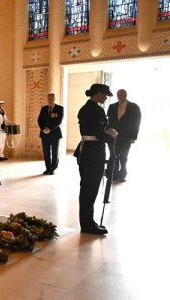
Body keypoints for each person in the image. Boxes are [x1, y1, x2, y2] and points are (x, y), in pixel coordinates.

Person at [73, 83, 117, 235]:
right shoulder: (97, 110)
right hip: (94, 152)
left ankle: (87, 222)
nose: (105, 98)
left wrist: (105, 131)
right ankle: (87, 225)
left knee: (86, 188)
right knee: (90, 189)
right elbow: (99, 134)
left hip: (84, 151)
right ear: (98, 94)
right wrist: (110, 135)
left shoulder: (85, 108)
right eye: (104, 95)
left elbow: (92, 130)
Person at [106, 89, 141, 182]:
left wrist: (134, 136)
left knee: (124, 157)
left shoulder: (134, 107)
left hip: (127, 136)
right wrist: (107, 132)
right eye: (118, 95)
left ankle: (123, 174)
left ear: (126, 95)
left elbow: (137, 122)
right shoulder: (112, 106)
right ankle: (114, 173)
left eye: (121, 95)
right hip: (113, 136)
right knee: (114, 155)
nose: (119, 96)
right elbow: (108, 121)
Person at [37, 93, 64, 175]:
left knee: (54, 152)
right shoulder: (44, 108)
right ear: (47, 99)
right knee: (46, 152)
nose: (50, 100)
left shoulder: (60, 108)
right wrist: (43, 129)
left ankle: (53, 168)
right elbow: (39, 120)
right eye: (49, 98)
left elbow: (59, 121)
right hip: (44, 134)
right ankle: (48, 168)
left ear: (55, 98)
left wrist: (50, 129)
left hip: (55, 134)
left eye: (52, 98)